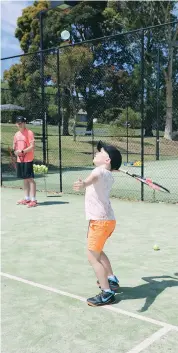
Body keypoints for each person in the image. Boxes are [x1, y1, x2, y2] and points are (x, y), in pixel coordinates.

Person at [73, 140, 122, 306]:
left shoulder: (99, 171)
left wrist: (84, 183)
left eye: (101, 152)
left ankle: (107, 292)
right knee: (99, 252)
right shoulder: (109, 175)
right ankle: (111, 279)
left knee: (92, 256)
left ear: (107, 160)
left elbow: (93, 178)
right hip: (108, 220)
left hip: (100, 221)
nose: (97, 153)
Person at [13, 116, 37, 207]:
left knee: (30, 179)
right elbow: (15, 147)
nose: (20, 124)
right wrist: (16, 152)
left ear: (24, 123)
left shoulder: (29, 133)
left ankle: (33, 200)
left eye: (21, 122)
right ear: (16, 124)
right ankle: (27, 199)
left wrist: (22, 151)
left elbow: (32, 146)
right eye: (18, 123)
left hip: (28, 159)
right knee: (25, 179)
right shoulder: (16, 134)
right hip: (20, 160)